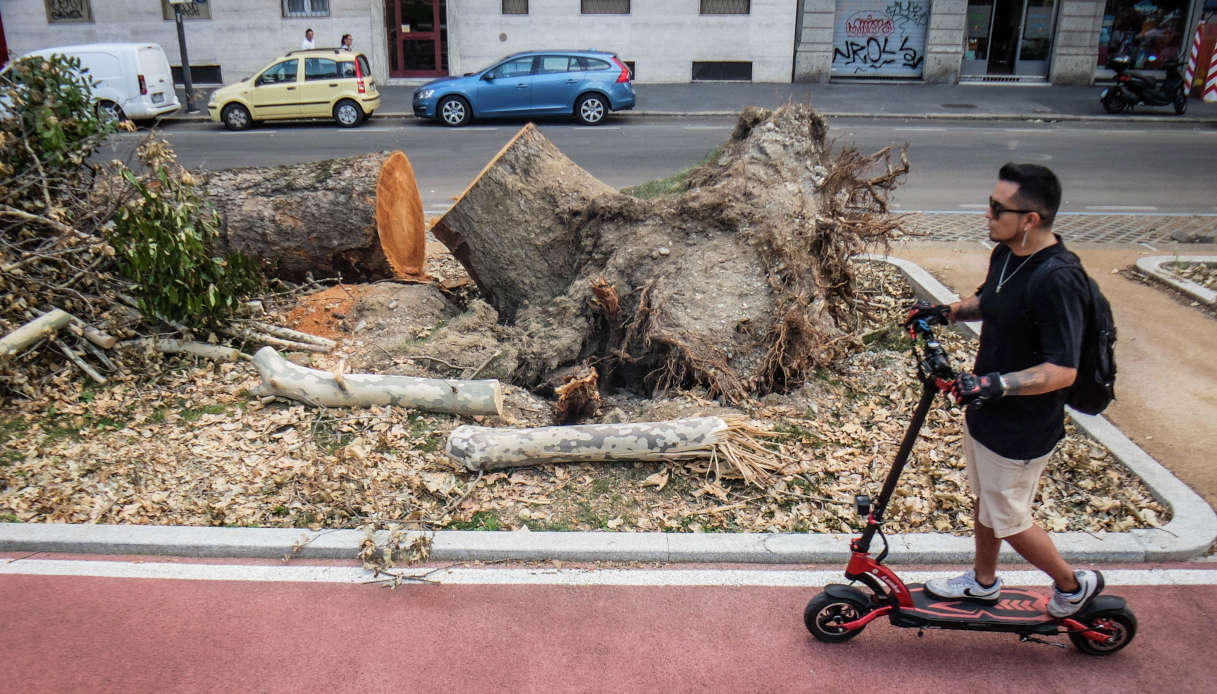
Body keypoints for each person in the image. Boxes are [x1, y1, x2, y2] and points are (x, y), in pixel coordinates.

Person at [904, 162, 1104, 618]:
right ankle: (983, 581)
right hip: (989, 416)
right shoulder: (1008, 254)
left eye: (997, 208)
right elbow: (990, 301)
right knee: (988, 502)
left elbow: (1063, 369)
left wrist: (995, 384)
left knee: (1009, 519)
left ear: (1030, 218)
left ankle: (1073, 587)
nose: (987, 214)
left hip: (1024, 428)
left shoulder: (1057, 279)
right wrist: (945, 312)